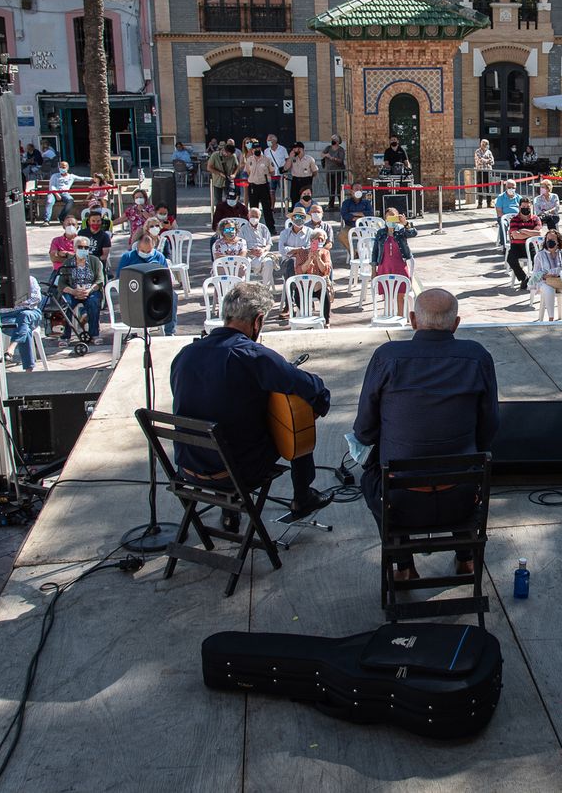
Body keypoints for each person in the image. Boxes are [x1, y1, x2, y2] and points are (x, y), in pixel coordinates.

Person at [353, 288, 498, 579]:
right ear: (456, 323)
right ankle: (466, 557)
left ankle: (404, 565)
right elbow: (489, 429)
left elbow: (364, 430)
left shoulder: (387, 357)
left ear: (412, 320)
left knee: (370, 476)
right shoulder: (477, 357)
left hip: (401, 502)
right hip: (462, 498)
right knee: (464, 461)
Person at [169, 281, 331, 517]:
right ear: (258, 320)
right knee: (298, 415)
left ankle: (229, 512)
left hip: (188, 467)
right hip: (235, 472)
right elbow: (311, 387)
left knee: (226, 424)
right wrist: (319, 404)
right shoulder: (252, 356)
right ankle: (303, 496)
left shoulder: (185, 354)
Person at [117, 223, 177, 335]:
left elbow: (166, 276)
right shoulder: (128, 257)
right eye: (143, 251)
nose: (146, 254)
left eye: (149, 251)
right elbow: (119, 278)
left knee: (173, 296)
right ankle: (134, 330)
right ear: (138, 247)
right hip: (134, 291)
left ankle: (170, 331)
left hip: (156, 291)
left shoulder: (159, 256)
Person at [55, 236, 105, 344]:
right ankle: (65, 336)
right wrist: (73, 291)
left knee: (93, 302)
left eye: (86, 247)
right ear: (74, 248)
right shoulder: (68, 263)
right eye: (80, 247)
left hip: (89, 290)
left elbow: (100, 280)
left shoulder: (94, 261)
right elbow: (61, 283)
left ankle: (94, 334)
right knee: (66, 303)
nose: (83, 250)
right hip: (74, 291)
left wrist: (89, 290)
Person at [372, 208, 417, 314]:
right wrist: (374, 270)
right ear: (385, 218)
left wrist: (405, 223)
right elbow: (375, 252)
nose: (391, 220)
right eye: (389, 216)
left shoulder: (401, 231)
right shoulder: (381, 233)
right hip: (385, 267)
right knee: (387, 297)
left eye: (394, 216)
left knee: (401, 296)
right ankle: (388, 317)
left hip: (400, 267)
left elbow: (413, 233)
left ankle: (401, 318)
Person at [287, 227, 335, 325]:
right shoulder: (302, 252)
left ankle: (326, 320)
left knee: (324, 294)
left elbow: (326, 271)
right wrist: (309, 260)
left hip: (318, 286)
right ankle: (306, 317)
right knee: (297, 294)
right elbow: (299, 271)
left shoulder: (325, 253)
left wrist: (318, 259)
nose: (319, 241)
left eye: (322, 239)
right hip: (304, 286)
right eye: (317, 239)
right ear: (311, 240)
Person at [0, 276, 45, 371]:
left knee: (24, 316)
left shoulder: (30, 279)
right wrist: (20, 302)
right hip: (8, 315)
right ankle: (29, 368)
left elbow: (36, 298)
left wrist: (15, 302)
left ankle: (11, 348)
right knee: (25, 329)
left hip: (30, 312)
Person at [504, 198, 541, 292]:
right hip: (517, 246)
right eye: (523, 207)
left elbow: (538, 233)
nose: (526, 208)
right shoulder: (514, 219)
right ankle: (523, 278)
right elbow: (515, 236)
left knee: (537, 260)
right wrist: (530, 233)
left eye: (528, 207)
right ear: (519, 207)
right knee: (511, 259)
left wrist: (523, 231)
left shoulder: (535, 219)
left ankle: (533, 280)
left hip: (531, 246)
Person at [532, 229, 562, 313]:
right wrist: (545, 276)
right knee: (549, 290)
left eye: (552, 240)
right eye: (548, 239)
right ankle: (551, 318)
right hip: (545, 281)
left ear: (558, 242)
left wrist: (560, 273)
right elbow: (535, 275)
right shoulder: (540, 255)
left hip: (560, 281)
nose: (550, 242)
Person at [236, 208, 276, 287]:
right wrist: (250, 252)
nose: (254, 218)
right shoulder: (242, 229)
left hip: (262, 254)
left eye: (256, 216)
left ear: (260, 217)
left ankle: (265, 288)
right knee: (243, 264)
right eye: (252, 216)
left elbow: (269, 244)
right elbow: (239, 246)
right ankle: (244, 289)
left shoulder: (264, 228)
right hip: (248, 254)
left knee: (269, 262)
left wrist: (263, 250)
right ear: (248, 216)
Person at [244, 141, 275, 232]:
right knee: (253, 207)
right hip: (253, 186)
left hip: (264, 185)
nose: (257, 150)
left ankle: (271, 227)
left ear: (261, 149)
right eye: (255, 149)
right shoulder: (249, 160)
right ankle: (253, 227)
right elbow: (248, 172)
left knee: (267, 208)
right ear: (252, 150)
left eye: (258, 148)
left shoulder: (267, 159)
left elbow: (272, 171)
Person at [276, 207, 313, 283]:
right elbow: (282, 250)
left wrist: (291, 250)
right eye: (297, 216)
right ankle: (291, 292)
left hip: (305, 261)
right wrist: (299, 249)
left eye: (302, 217)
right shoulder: (284, 233)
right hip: (288, 261)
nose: (299, 219)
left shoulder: (310, 232)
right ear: (292, 219)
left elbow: (309, 249)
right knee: (291, 263)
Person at [285, 141, 318, 207]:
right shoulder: (292, 158)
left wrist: (310, 178)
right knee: (294, 198)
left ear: (301, 149)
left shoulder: (309, 159)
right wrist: (290, 157)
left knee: (306, 198)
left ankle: (307, 213)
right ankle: (295, 213)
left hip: (306, 180)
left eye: (295, 148)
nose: (293, 150)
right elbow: (286, 168)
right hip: (295, 180)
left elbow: (315, 171)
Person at [493, 180, 521, 246]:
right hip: (504, 217)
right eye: (509, 187)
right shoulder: (501, 197)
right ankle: (504, 245)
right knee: (503, 224)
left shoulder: (519, 197)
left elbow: (522, 210)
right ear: (506, 187)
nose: (511, 189)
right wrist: (508, 218)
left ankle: (521, 243)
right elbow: (499, 212)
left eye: (513, 187)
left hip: (517, 217)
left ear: (516, 188)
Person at [320, 135, 346, 207]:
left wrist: (333, 158)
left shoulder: (341, 150)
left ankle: (341, 203)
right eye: (332, 139)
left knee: (338, 189)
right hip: (329, 171)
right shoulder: (328, 148)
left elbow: (341, 160)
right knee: (330, 188)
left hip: (338, 172)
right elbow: (322, 154)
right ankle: (331, 204)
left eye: (334, 139)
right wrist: (326, 155)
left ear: (338, 142)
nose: (332, 140)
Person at [263, 134, 289, 200]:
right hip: (271, 175)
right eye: (267, 140)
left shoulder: (282, 149)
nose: (267, 141)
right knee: (271, 192)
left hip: (281, 175)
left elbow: (287, 160)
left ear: (274, 141)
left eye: (269, 140)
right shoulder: (266, 151)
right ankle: (272, 208)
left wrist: (286, 171)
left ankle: (285, 206)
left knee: (283, 191)